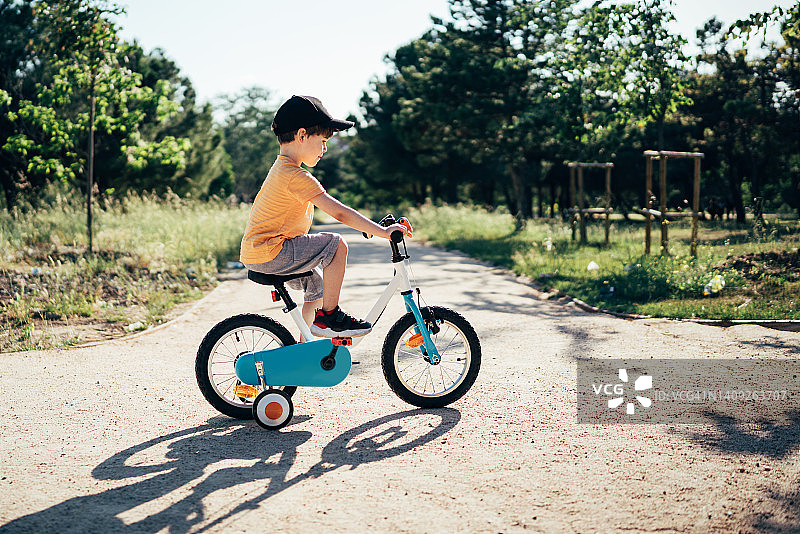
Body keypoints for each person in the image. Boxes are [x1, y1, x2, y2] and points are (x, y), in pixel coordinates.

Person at [240, 95, 408, 338]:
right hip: (270, 251)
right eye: (322, 140)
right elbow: (338, 212)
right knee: (336, 244)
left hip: (261, 252)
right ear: (301, 135)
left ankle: (304, 350)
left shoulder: (283, 169)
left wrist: (371, 226)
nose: (325, 148)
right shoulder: (295, 176)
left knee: (317, 289)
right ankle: (329, 317)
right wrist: (383, 233)